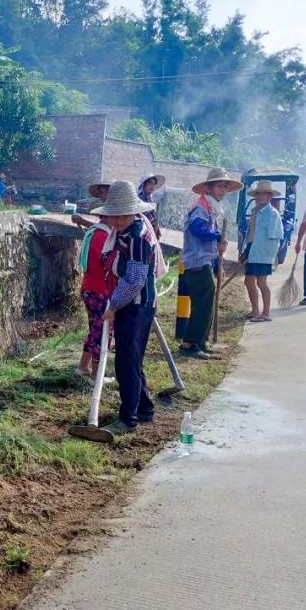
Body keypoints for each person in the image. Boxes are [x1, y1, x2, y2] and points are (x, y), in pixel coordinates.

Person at [79, 180, 161, 436]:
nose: (118, 220)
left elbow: (135, 280)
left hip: (135, 304)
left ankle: (128, 419)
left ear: (134, 212)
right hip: (126, 301)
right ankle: (144, 408)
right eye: (114, 215)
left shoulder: (137, 237)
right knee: (131, 359)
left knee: (126, 362)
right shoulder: (120, 233)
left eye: (123, 214)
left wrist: (113, 305)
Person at [178, 168, 240, 358]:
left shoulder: (210, 207)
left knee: (205, 301)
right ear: (209, 187)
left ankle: (200, 341)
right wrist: (217, 235)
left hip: (203, 260)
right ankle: (190, 343)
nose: (223, 190)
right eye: (220, 186)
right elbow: (198, 229)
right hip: (196, 261)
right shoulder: (201, 207)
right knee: (203, 302)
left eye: (226, 187)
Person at [74, 215, 116, 384]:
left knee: (95, 329)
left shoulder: (95, 232)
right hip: (99, 290)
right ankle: (96, 375)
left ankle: (82, 367)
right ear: (108, 217)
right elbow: (108, 263)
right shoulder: (103, 236)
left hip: (90, 288)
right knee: (103, 332)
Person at [241, 181, 284, 322]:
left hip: (263, 253)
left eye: (263, 194)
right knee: (248, 281)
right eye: (257, 194)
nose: (259, 197)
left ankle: (265, 313)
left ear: (269, 196)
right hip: (253, 251)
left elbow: (275, 238)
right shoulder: (255, 212)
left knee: (261, 283)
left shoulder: (273, 214)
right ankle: (255, 311)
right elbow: (251, 234)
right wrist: (246, 251)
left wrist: (269, 256)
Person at [137, 173, 166, 241]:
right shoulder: (140, 199)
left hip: (150, 232)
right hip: (142, 232)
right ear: (144, 185)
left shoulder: (150, 199)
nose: (152, 186)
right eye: (150, 183)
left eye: (154, 184)